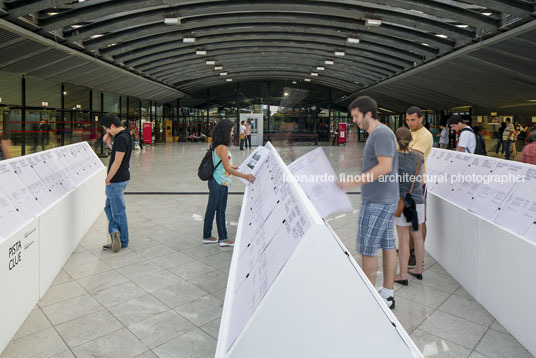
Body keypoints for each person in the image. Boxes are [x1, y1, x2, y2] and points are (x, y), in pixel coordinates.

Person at [338, 96, 399, 309]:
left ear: (368, 114)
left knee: (368, 248)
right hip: (386, 198)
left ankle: (367, 300)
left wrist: (351, 183)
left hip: (377, 201)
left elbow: (385, 167)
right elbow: (375, 164)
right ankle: (387, 294)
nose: (354, 120)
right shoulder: (378, 134)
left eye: (356, 116)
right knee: (388, 244)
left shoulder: (381, 133)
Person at [203, 119, 255, 247]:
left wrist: (234, 167)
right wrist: (245, 176)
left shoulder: (219, 146)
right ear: (225, 131)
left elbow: (224, 165)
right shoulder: (222, 147)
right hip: (218, 183)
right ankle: (217, 237)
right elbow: (227, 168)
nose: (232, 134)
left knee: (216, 210)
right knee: (218, 210)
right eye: (231, 131)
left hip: (219, 182)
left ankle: (214, 236)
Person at [394, 127, 425, 286]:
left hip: (402, 201)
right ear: (411, 139)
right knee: (418, 236)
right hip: (418, 200)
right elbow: (419, 178)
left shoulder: (394, 158)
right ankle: (418, 269)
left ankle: (403, 274)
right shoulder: (420, 157)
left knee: (404, 239)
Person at [405, 106, 433, 268]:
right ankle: (409, 249)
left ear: (421, 119)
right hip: (405, 182)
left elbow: (411, 157)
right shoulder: (409, 133)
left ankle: (417, 253)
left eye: (413, 120)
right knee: (408, 220)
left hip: (418, 184)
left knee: (419, 221)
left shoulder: (425, 135)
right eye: (408, 120)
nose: (410, 123)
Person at [101, 114, 132, 253]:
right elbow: (118, 154)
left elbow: (117, 161)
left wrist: (108, 179)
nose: (107, 133)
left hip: (116, 180)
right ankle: (115, 234)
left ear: (112, 126)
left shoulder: (121, 138)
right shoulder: (126, 134)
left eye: (107, 130)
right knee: (109, 207)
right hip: (122, 178)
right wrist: (108, 143)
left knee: (118, 212)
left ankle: (122, 240)